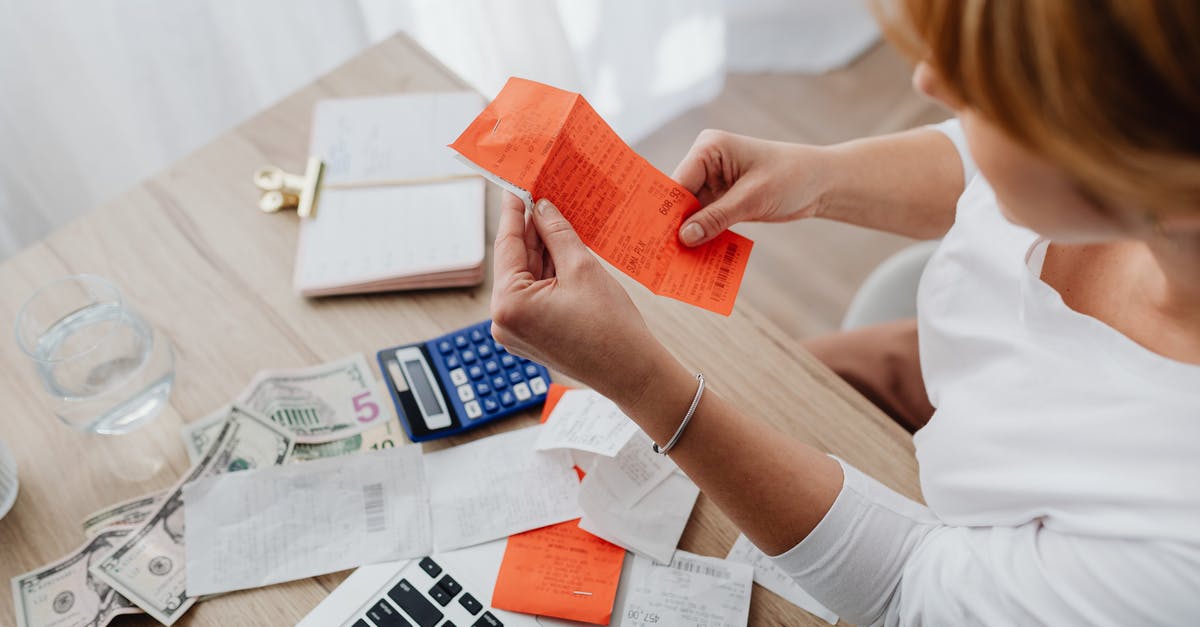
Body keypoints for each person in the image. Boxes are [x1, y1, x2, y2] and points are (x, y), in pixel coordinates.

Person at [489, 0, 1200, 624]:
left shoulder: (1171, 542)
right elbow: (986, 166)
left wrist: (645, 384)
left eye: (995, 87)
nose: (931, 83)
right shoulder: (1142, 155)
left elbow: (905, 585)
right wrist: (821, 178)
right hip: (945, 376)